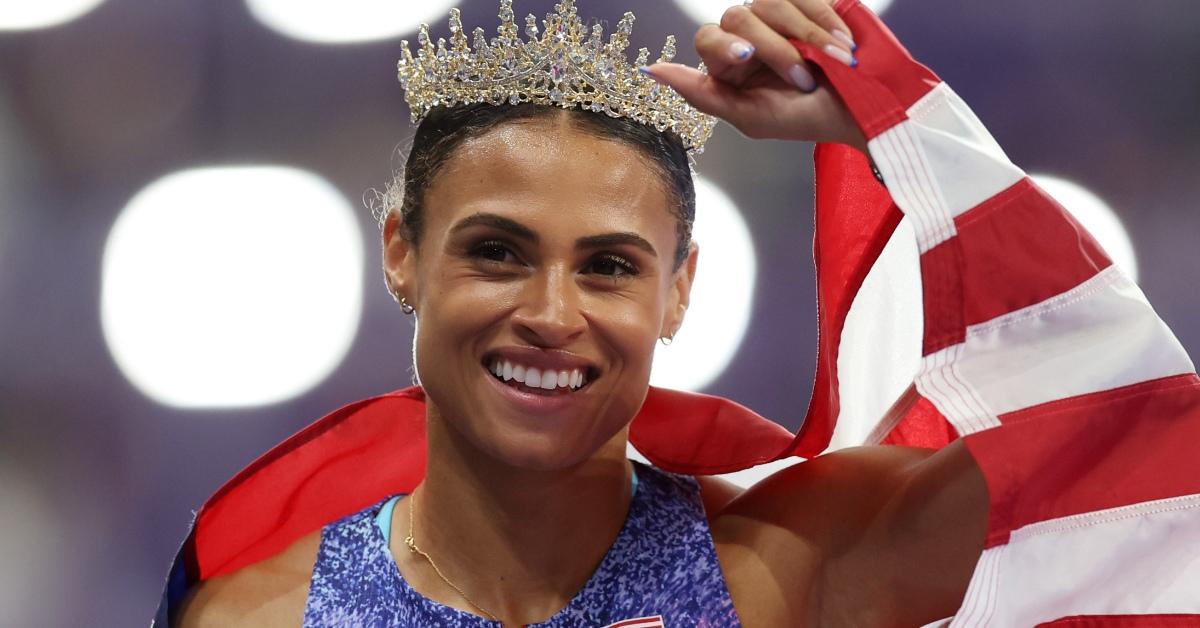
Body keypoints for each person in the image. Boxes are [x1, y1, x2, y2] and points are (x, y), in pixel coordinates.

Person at [164, 0, 1200, 626]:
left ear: (682, 289)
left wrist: (895, 123)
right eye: (497, 253)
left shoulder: (796, 567)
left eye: (609, 266)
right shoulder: (258, 614)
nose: (551, 313)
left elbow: (1128, 447)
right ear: (402, 253)